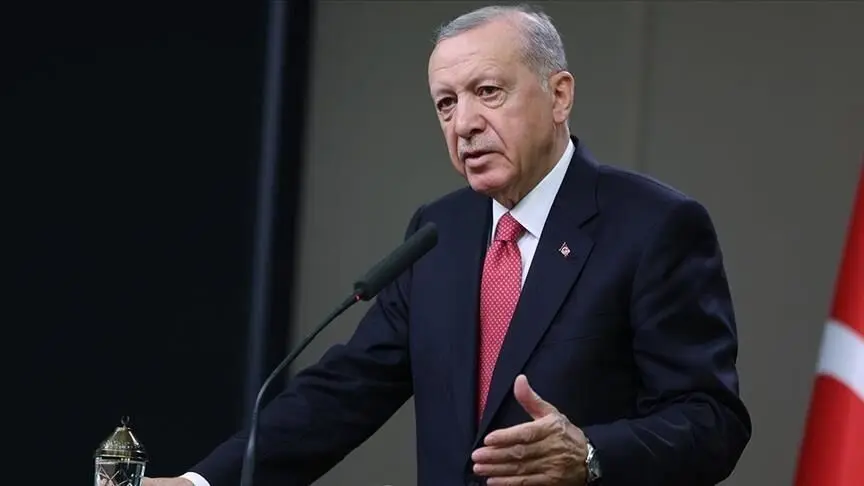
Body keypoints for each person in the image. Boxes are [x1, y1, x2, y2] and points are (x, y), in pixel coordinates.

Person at [144, 4, 751, 486]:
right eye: (446, 103)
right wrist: (203, 483)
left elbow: (711, 421)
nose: (463, 123)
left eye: (488, 91)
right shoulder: (440, 233)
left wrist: (591, 453)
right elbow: (343, 393)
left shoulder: (653, 226)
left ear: (560, 95)